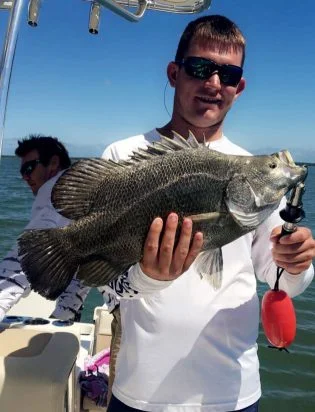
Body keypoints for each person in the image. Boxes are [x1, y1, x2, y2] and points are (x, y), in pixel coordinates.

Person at [100, 15, 315, 412]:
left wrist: (297, 263)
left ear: (240, 87)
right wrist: (148, 278)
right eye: (200, 68)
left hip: (231, 395)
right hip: (138, 394)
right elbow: (106, 287)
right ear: (174, 73)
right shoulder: (123, 158)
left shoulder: (256, 175)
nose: (214, 83)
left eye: (228, 74)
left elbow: (284, 282)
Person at [0, 134, 109, 322]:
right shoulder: (86, 190)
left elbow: (25, 258)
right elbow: (88, 261)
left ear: (53, 163)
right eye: (22, 172)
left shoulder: (57, 191)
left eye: (29, 168)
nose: (25, 177)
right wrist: (64, 313)